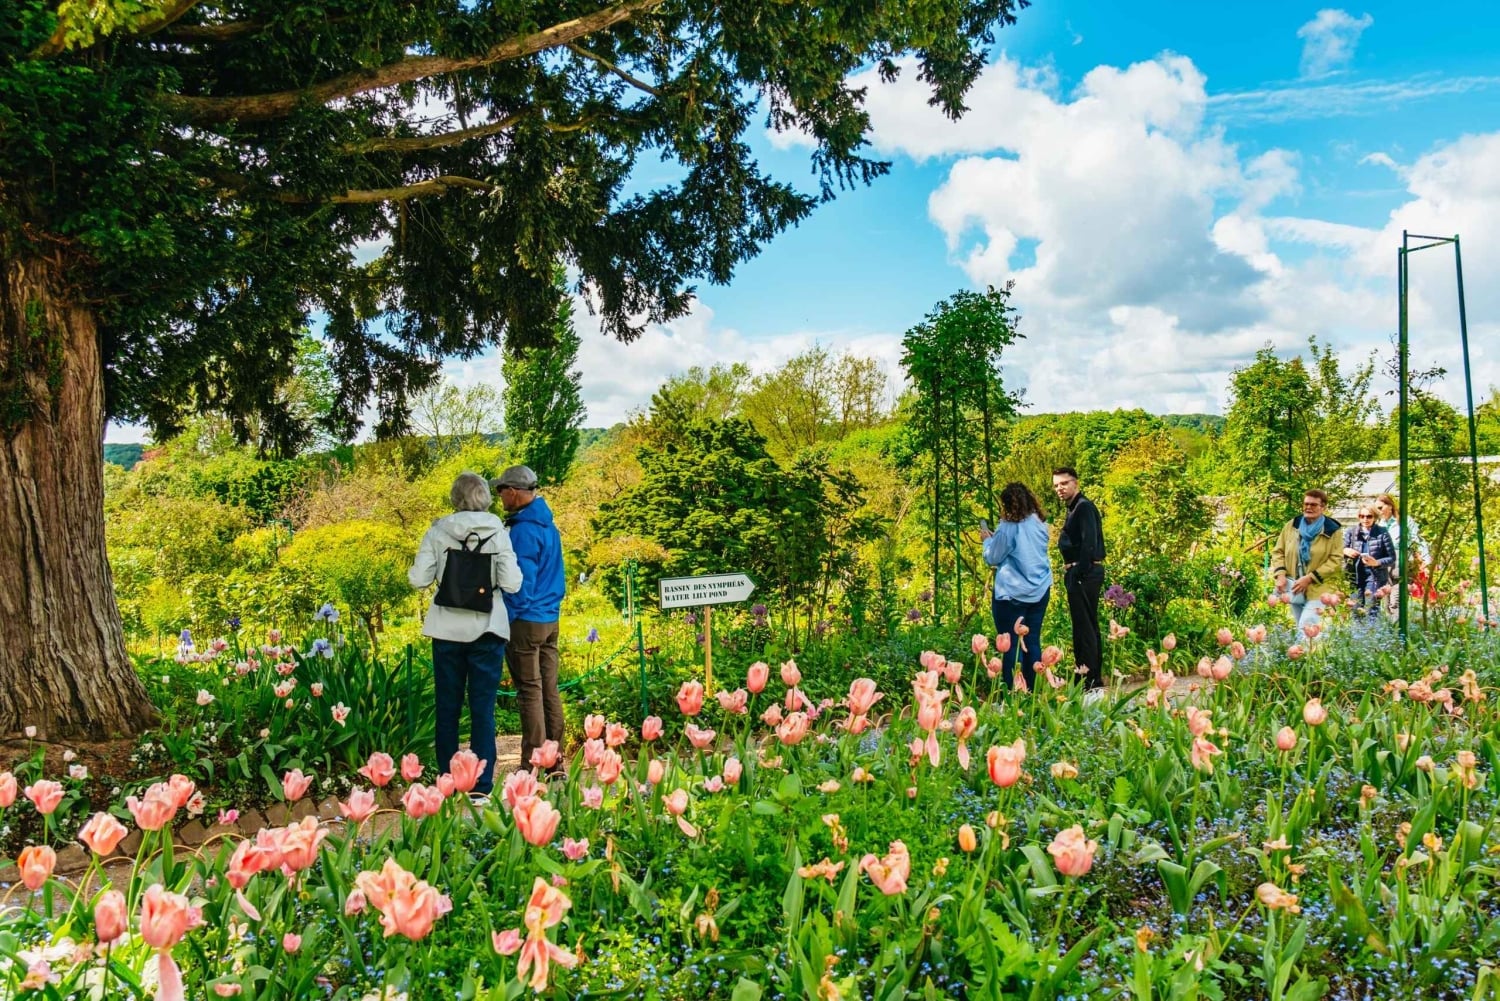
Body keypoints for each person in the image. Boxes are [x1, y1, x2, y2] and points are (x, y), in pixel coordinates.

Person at [409, 472, 522, 799]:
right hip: (488, 628)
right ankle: (480, 789)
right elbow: (513, 583)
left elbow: (418, 579)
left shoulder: (437, 531)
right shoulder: (500, 534)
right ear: (485, 497)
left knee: (448, 707)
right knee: (482, 709)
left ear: (454, 498)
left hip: (446, 630)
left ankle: (446, 783)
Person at [491, 464, 567, 773]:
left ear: (513, 492)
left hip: (526, 619)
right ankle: (555, 761)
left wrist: (503, 621)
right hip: (550, 617)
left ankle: (533, 763)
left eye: (501, 492)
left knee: (530, 692)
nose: (500, 498)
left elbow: (521, 584)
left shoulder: (522, 531)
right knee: (549, 689)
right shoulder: (548, 526)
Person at [980, 483, 1052, 692]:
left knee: (1010, 645)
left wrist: (987, 542)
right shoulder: (1039, 523)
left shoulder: (1008, 527)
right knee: (1032, 641)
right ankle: (1033, 692)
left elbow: (993, 557)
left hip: (1012, 595)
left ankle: (1014, 695)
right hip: (1039, 590)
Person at [1052, 467, 1106, 688]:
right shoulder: (1074, 508)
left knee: (1085, 627)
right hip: (1082, 572)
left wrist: (1078, 572)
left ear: (1076, 483)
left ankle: (1089, 678)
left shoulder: (1083, 507)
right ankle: (1089, 674)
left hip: (1084, 573)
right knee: (1086, 626)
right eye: (1056, 485)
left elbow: (1089, 542)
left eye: (1064, 484)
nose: (1059, 489)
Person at [1270, 489, 1343, 632]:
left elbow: (1336, 560)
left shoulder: (1332, 529)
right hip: (1295, 585)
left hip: (1320, 587)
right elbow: (1278, 551)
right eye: (1306, 504)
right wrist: (1281, 575)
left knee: (1307, 627)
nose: (1308, 507)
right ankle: (1311, 654)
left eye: (1314, 505)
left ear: (1323, 507)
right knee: (1302, 628)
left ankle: (1302, 653)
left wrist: (1310, 578)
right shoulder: (1292, 525)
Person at [1375, 493, 1427, 616]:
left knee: (1397, 600)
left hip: (1402, 561)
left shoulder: (1404, 521)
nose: (1379, 511)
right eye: (1376, 509)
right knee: (1387, 601)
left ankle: (1399, 631)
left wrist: (1425, 561)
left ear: (1390, 506)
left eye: (1380, 508)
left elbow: (1417, 540)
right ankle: (1391, 632)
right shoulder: (1379, 525)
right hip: (1385, 564)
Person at [1342, 506, 1394, 618]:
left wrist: (1377, 562)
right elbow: (1340, 550)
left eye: (1369, 516)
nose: (1365, 519)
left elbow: (1391, 557)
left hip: (1375, 575)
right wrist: (1346, 550)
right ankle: (1358, 632)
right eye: (1362, 516)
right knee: (1356, 607)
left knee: (1371, 606)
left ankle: (1373, 630)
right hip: (1355, 574)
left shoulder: (1382, 532)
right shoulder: (1351, 532)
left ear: (1374, 517)